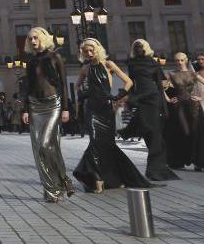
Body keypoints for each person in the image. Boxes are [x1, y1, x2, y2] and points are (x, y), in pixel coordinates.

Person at [72, 39, 150, 193]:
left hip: (106, 109)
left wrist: (119, 95)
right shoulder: (85, 69)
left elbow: (128, 82)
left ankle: (115, 177)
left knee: (107, 145)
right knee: (94, 142)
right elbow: (76, 86)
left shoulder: (109, 65)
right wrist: (83, 93)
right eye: (85, 51)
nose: (89, 53)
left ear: (97, 49)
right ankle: (97, 178)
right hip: (92, 109)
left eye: (91, 50)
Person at [20, 27, 75, 202]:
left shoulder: (55, 57)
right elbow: (27, 86)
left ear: (42, 38)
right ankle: (52, 190)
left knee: (46, 145)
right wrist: (25, 109)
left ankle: (63, 180)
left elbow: (64, 84)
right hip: (35, 106)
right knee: (40, 149)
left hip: (53, 105)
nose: (33, 41)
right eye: (30, 39)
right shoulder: (30, 62)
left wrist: (66, 108)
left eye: (35, 38)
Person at [120, 40, 179, 181]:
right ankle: (156, 169)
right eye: (136, 46)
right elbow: (131, 83)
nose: (139, 48)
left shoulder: (153, 62)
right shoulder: (132, 63)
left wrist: (167, 98)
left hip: (153, 98)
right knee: (149, 132)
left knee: (155, 133)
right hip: (140, 98)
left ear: (146, 48)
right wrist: (128, 99)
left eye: (141, 46)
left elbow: (161, 83)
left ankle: (155, 170)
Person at [164, 52, 204, 171]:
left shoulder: (193, 74)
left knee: (196, 132)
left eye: (182, 60)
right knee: (182, 132)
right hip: (179, 106)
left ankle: (199, 162)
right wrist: (168, 99)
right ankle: (179, 161)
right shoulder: (171, 74)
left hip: (193, 105)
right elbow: (160, 87)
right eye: (177, 60)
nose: (179, 62)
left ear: (186, 60)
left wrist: (201, 97)